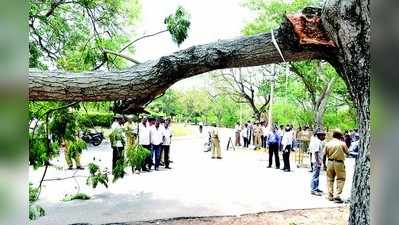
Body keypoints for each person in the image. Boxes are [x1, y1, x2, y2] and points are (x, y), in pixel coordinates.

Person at [324, 129, 349, 203]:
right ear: (340, 136)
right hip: (339, 163)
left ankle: (330, 195)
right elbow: (348, 153)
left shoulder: (328, 143)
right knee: (341, 179)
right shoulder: (342, 143)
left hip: (330, 162)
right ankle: (337, 196)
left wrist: (324, 164)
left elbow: (324, 155)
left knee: (329, 179)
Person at [310, 129, 326, 196]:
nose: (324, 137)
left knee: (317, 175)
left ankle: (316, 188)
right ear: (319, 136)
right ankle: (313, 189)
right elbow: (316, 152)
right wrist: (317, 162)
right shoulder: (316, 142)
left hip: (318, 161)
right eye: (323, 136)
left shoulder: (319, 141)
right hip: (317, 161)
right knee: (315, 175)